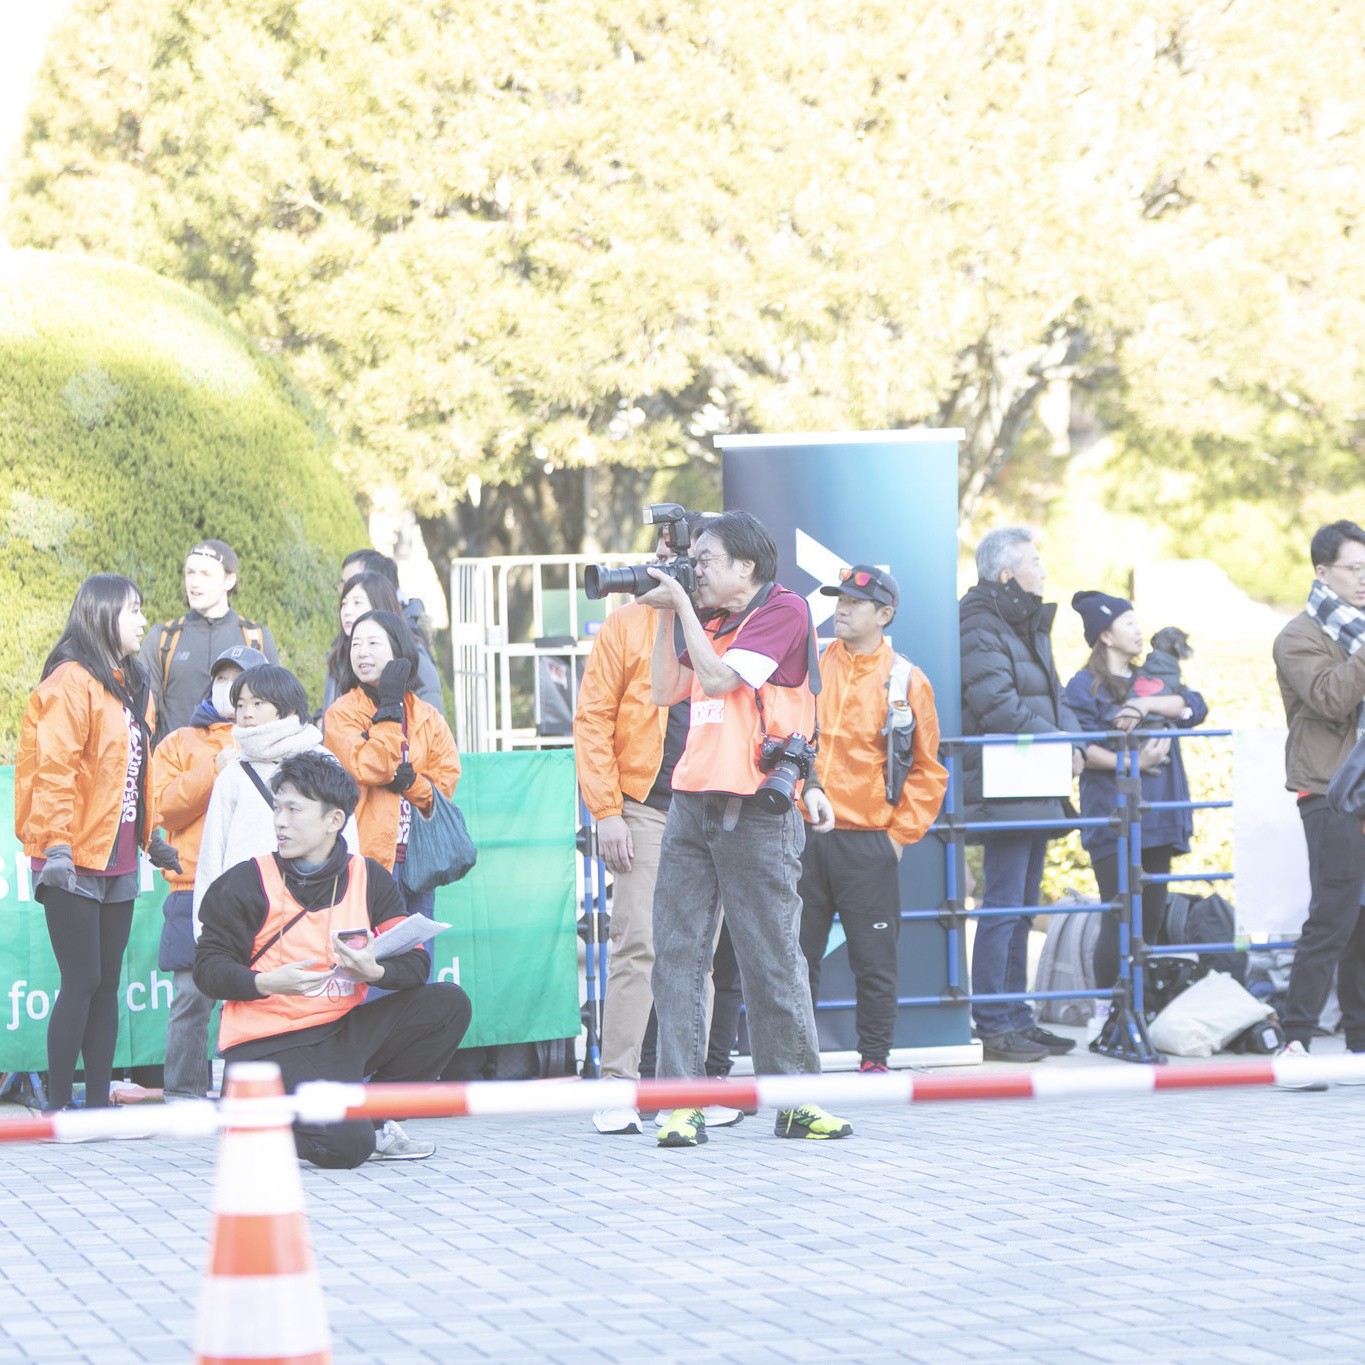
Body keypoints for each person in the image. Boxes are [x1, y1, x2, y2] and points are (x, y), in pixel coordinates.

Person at [639, 510, 852, 1147]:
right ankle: (681, 1105)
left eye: (705, 560)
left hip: (757, 807)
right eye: (692, 560)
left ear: (747, 567)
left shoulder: (784, 610)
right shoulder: (705, 616)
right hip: (691, 800)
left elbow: (719, 678)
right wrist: (668, 611)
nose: (695, 570)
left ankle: (796, 1103)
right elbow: (663, 689)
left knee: (771, 957)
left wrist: (681, 600)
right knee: (676, 955)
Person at [194, 751, 471, 1166]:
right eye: (277, 808)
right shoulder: (246, 881)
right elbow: (207, 969)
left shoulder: (369, 877)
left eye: (293, 810)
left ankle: (372, 1120)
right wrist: (266, 982)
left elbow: (416, 964)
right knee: (348, 1148)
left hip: (340, 1032)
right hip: (266, 1047)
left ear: (334, 820)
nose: (280, 821)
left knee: (449, 1004)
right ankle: (254, 1119)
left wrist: (375, 971)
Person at [573, 517, 741, 1136]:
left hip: (711, 805)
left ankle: (687, 1089)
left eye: (689, 556)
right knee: (638, 943)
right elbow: (592, 720)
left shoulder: (731, 621)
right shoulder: (625, 624)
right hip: (642, 804)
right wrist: (606, 811)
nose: (671, 564)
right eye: (666, 552)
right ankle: (617, 1086)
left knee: (697, 955)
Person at [15, 575, 179, 1111]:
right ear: (103, 614)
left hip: (120, 857)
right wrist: (57, 846)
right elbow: (53, 769)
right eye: (133, 610)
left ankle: (97, 1105)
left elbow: (137, 773)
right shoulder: (71, 680)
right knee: (82, 980)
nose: (143, 621)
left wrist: (151, 836)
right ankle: (60, 1106)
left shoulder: (133, 683)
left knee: (108, 982)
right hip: (70, 856)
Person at [798, 565, 948, 1073]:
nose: (841, 609)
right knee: (797, 960)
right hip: (803, 834)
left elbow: (929, 770)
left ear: (884, 615)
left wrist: (897, 838)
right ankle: (798, 1066)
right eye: (839, 599)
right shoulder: (813, 662)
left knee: (874, 960)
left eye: (854, 603)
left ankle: (875, 1062)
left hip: (869, 842)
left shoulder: (906, 679)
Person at [959, 527, 1083, 1064]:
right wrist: (1063, 745)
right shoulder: (978, 623)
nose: (1044, 571)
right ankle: (994, 1022)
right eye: (1036, 561)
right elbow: (999, 708)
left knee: (1022, 906)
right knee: (1004, 906)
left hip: (1033, 780)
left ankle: (1018, 1017)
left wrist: (1074, 741)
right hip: (1004, 783)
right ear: (1007, 573)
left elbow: (1055, 696)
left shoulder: (1022, 619)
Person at [1064, 592, 1208, 988]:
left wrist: (1145, 706)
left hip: (1160, 814)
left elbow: (1194, 708)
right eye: (1128, 623)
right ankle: (1109, 1008)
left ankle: (1142, 1008)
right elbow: (1080, 747)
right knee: (1121, 916)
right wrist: (1134, 763)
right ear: (1105, 636)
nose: (1138, 630)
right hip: (1112, 814)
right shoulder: (1082, 686)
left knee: (1152, 918)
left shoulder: (1153, 678)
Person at [150, 644, 268, 1099]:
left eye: (239, 680)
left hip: (259, 887)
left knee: (256, 995)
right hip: (190, 886)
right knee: (190, 997)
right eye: (221, 678)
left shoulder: (278, 741)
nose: (228, 688)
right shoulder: (179, 742)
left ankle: (248, 1096)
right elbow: (162, 808)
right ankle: (183, 1097)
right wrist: (214, 769)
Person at [1272, 520, 1365, 1063]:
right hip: (1330, 791)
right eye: (1355, 568)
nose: (1364, 579)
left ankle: (1360, 1041)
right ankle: (1296, 1040)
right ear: (1323, 572)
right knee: (1333, 916)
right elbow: (1331, 697)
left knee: (1362, 923)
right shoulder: (1298, 636)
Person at [193, 665, 355, 932]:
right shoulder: (232, 774)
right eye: (241, 704)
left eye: (258, 703)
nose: (247, 713)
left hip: (316, 910)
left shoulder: (323, 763)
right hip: (245, 913)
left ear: (288, 708)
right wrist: (205, 932)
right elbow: (212, 857)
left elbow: (348, 842)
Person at [324, 610, 461, 922]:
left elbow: (446, 781)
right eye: (355, 644)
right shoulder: (341, 714)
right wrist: (389, 707)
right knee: (375, 948)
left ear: (399, 651)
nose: (362, 652)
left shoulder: (427, 716)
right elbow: (371, 766)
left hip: (420, 861)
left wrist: (411, 784)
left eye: (373, 643)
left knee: (418, 950)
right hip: (366, 859)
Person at [139, 540, 279, 742]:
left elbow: (275, 716)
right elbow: (144, 718)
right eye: (190, 572)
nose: (194, 582)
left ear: (229, 581)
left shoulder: (257, 639)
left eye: (206, 574)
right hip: (176, 759)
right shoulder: (162, 638)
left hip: (240, 759)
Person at [323, 571, 442, 713]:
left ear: (379, 606)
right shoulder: (338, 658)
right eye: (344, 603)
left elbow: (429, 719)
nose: (347, 611)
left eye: (357, 603)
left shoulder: (414, 658)